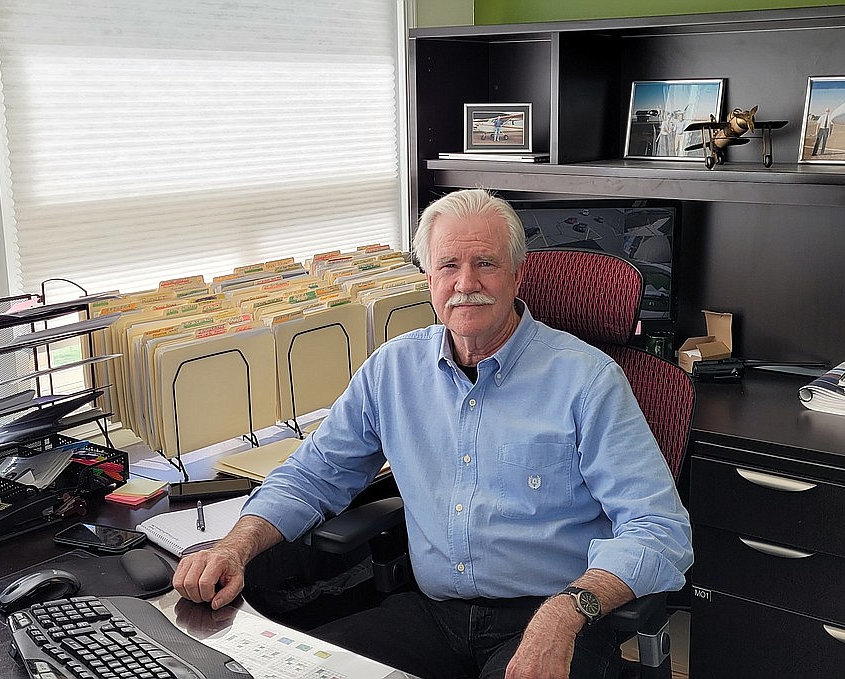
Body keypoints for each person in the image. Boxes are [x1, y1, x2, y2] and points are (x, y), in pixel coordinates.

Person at [173, 188, 693, 679]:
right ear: (429, 281)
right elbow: (312, 477)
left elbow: (660, 532)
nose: (466, 282)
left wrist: (567, 611)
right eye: (448, 265)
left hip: (554, 617)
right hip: (432, 616)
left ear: (517, 273)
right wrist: (233, 547)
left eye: (485, 263)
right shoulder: (393, 370)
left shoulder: (588, 380)